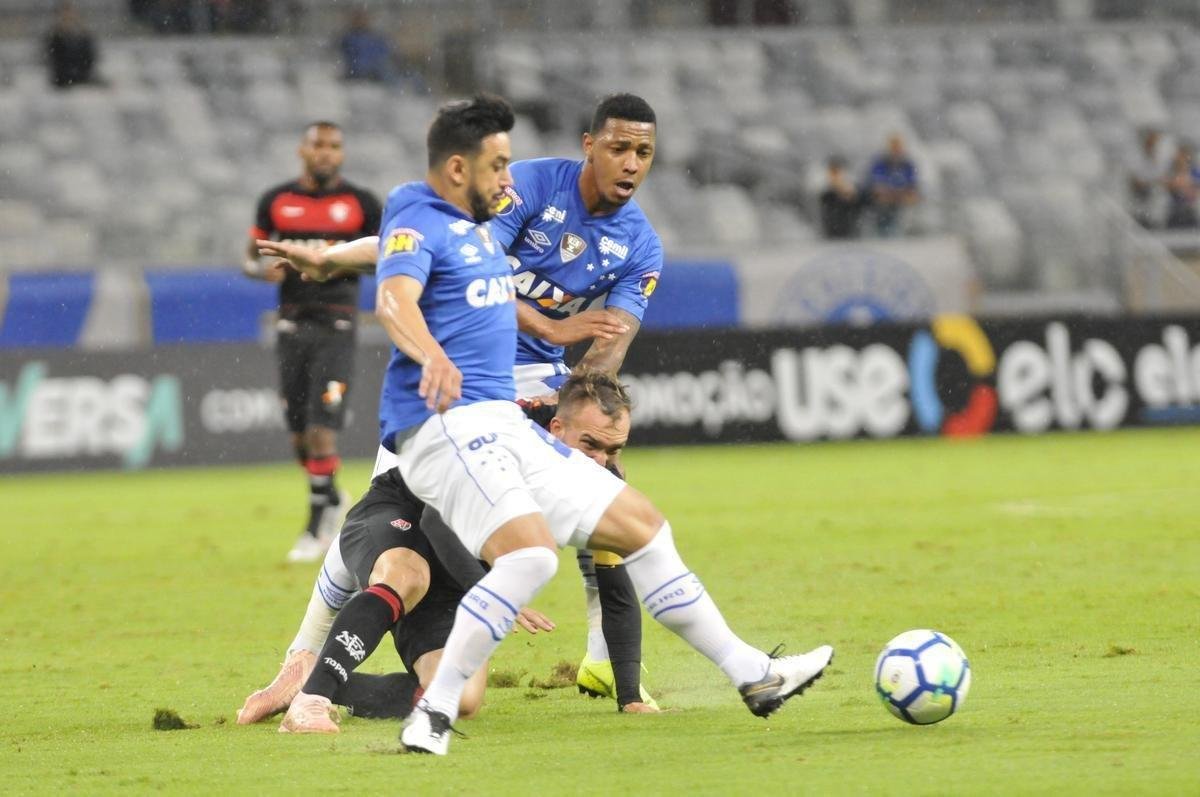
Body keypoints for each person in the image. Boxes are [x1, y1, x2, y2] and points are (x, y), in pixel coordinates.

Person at [357, 92, 831, 756]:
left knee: (642, 526)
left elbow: (390, 255)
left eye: (645, 152)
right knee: (527, 554)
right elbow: (394, 283)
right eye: (498, 166)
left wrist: (326, 258)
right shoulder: (426, 204)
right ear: (461, 169)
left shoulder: (609, 240)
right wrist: (445, 346)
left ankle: (753, 674)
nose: (508, 180)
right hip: (445, 417)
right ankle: (427, 711)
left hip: (510, 415)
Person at [257, 93, 666, 711]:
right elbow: (455, 253)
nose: (631, 163)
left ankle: (608, 666)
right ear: (590, 145)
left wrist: (576, 410)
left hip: (534, 385)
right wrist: (554, 329)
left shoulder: (641, 246)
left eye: (644, 152)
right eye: (620, 148)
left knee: (607, 501)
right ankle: (302, 660)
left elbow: (611, 347)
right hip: (455, 373)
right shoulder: (527, 186)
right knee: (384, 514)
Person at [237, 371, 639, 731]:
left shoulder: (601, 479)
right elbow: (436, 521)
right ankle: (313, 702)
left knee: (460, 700)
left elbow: (614, 582)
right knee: (408, 574)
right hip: (401, 512)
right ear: (556, 427)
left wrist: (631, 697)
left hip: (456, 565)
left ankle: (311, 678)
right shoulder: (505, 440)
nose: (602, 460)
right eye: (592, 445)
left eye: (614, 449)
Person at [244, 121, 383, 563]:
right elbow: (251, 258)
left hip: (337, 325)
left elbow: (388, 257)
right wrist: (258, 271)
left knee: (323, 431)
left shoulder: (361, 205)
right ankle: (332, 497)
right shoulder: (276, 201)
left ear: (341, 154)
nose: (326, 153)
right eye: (318, 145)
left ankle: (318, 526)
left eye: (334, 146)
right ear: (302, 150)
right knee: (301, 438)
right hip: (291, 325)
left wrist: (335, 265)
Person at [865, 133, 920, 237]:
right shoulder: (880, 163)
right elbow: (876, 182)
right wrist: (888, 190)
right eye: (894, 146)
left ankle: (905, 231)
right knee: (883, 201)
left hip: (901, 195)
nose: (896, 149)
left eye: (898, 146)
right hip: (885, 195)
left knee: (909, 201)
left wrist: (905, 192)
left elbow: (912, 183)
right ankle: (883, 231)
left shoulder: (907, 164)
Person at [44, 2, 98, 89]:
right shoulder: (54, 38)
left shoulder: (84, 38)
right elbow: (55, 63)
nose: (68, 17)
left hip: (82, 81)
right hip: (62, 84)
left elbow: (89, 61)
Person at [1128, 128, 1166, 229]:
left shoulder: (1160, 159)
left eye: (1155, 143)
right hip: (1140, 200)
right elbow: (1136, 182)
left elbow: (1163, 180)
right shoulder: (1136, 159)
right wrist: (1153, 182)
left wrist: (1152, 182)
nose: (1153, 145)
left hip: (1155, 202)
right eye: (1151, 142)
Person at [818, 155, 862, 239]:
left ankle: (847, 231)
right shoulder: (823, 178)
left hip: (844, 210)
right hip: (831, 208)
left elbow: (852, 193)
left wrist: (844, 192)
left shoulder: (848, 179)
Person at [1164, 144, 1198, 230]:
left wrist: (1186, 186)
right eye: (1179, 157)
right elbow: (1168, 185)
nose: (1181, 160)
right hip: (1174, 210)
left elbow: (1194, 192)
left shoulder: (1195, 172)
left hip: (1191, 210)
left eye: (1183, 157)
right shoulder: (1171, 172)